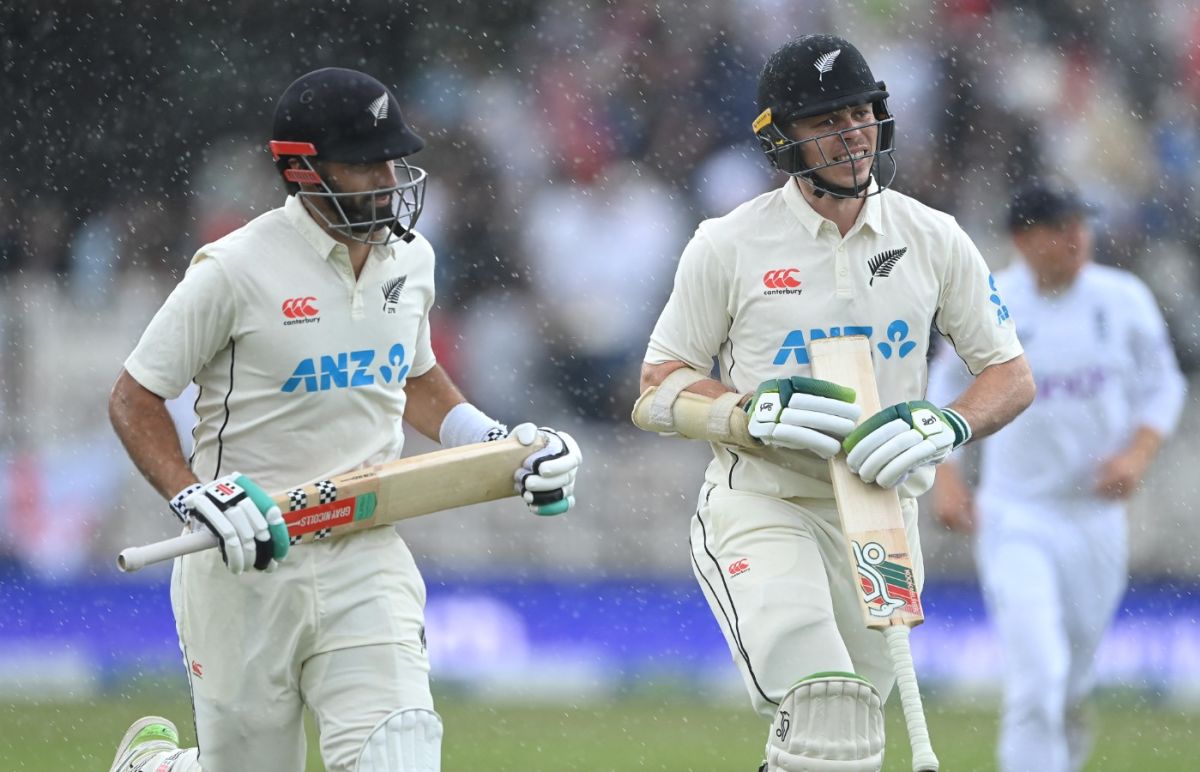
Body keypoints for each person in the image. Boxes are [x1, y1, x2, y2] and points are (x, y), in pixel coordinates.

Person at [106, 67, 582, 772]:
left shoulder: (412, 258)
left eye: (393, 158)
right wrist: (192, 495)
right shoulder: (234, 269)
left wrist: (491, 442)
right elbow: (134, 396)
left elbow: (412, 375)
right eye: (365, 163)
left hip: (366, 547)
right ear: (302, 168)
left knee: (401, 753)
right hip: (246, 557)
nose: (390, 177)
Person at [635, 34, 1035, 771]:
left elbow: (1009, 376)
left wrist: (948, 423)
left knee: (842, 748)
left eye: (860, 113)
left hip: (882, 517)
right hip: (765, 503)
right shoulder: (728, 243)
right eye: (825, 120)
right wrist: (742, 413)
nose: (851, 134)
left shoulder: (934, 237)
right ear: (781, 139)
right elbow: (658, 384)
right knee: (825, 704)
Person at [928, 177, 1186, 772]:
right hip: (1017, 515)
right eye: (1060, 226)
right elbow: (943, 391)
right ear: (1024, 238)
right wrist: (947, 479)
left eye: (1081, 224)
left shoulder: (1122, 300)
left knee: (1070, 681)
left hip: (1095, 519)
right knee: (1036, 679)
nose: (1076, 238)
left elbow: (1163, 385)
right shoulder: (993, 301)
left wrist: (1136, 457)